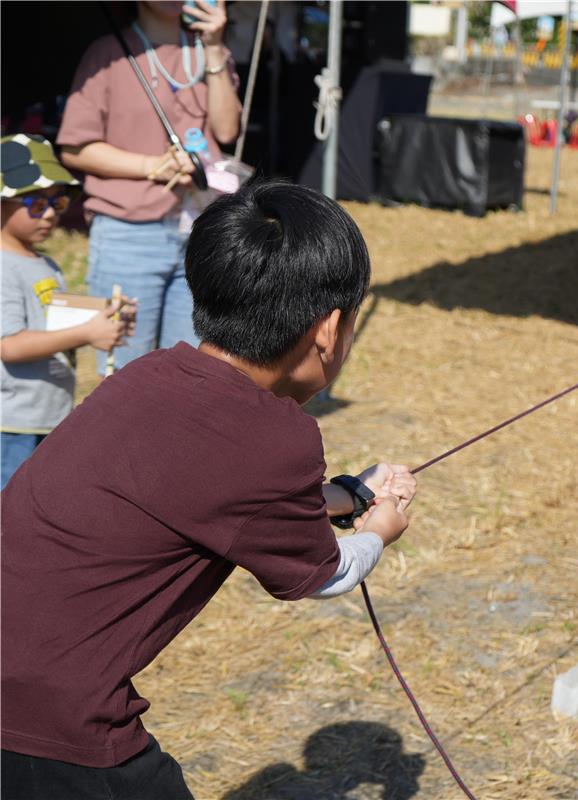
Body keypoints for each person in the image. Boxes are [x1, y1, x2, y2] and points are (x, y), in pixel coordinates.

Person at [1, 180, 418, 799]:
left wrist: (351, 495)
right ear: (330, 329)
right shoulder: (273, 437)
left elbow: (224, 503)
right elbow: (327, 575)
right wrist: (380, 529)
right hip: (48, 716)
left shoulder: (150, 377)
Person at [57, 0, 241, 374]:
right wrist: (150, 166)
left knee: (193, 373)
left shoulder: (207, 51)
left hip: (200, 231)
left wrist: (215, 46)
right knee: (126, 374)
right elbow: (75, 148)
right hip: (128, 233)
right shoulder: (107, 54)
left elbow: (226, 130)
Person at [0, 134, 135, 489]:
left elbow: (53, 324)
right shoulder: (3, 266)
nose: (48, 213)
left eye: (57, 202)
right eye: (33, 203)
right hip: (11, 425)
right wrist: (88, 332)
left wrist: (107, 316)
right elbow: (10, 345)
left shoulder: (45, 264)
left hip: (48, 415)